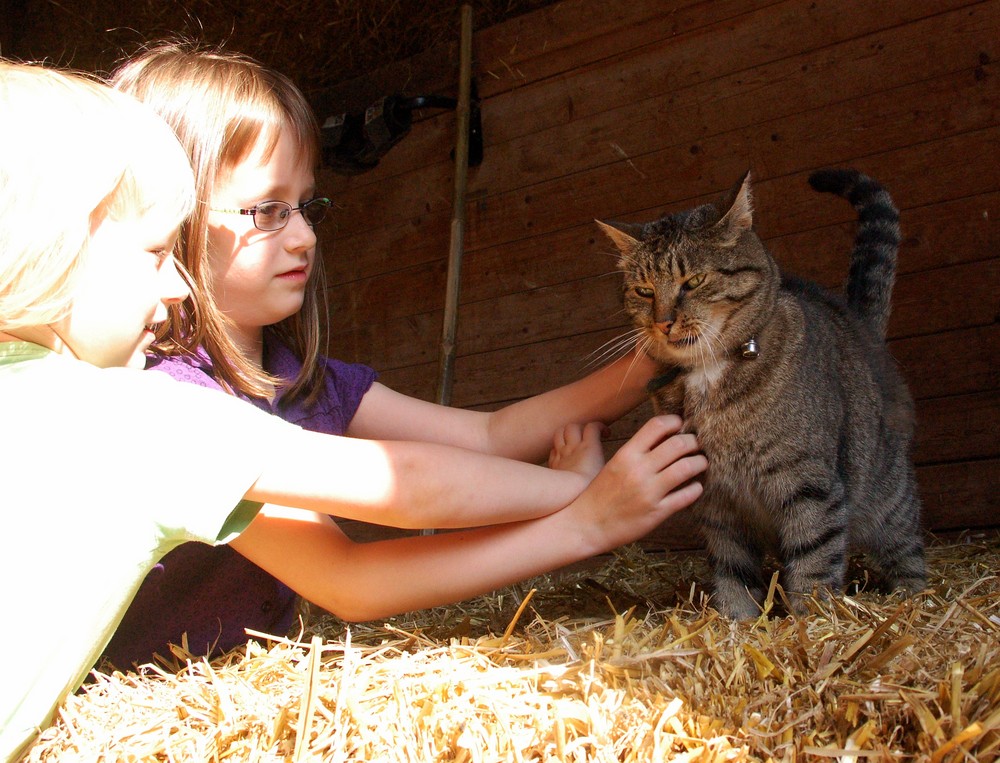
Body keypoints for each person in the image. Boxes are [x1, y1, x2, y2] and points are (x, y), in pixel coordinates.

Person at [0, 60, 705, 760]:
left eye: (307, 206)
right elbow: (363, 554)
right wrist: (585, 508)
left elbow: (489, 435)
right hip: (172, 698)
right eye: (267, 211)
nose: (305, 235)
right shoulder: (162, 406)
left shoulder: (301, 377)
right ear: (178, 223)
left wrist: (661, 348)